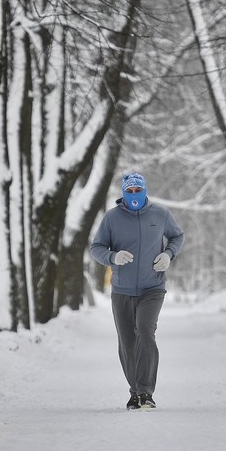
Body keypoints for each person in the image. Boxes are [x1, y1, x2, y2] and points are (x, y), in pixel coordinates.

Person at [90, 172, 185, 410]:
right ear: (123, 193)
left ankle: (146, 392)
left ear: (145, 191)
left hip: (152, 287)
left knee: (145, 331)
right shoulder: (111, 218)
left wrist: (168, 254)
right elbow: (96, 247)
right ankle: (135, 392)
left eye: (138, 190)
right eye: (129, 191)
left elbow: (177, 236)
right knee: (127, 342)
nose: (134, 195)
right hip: (122, 289)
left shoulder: (160, 214)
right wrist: (112, 256)